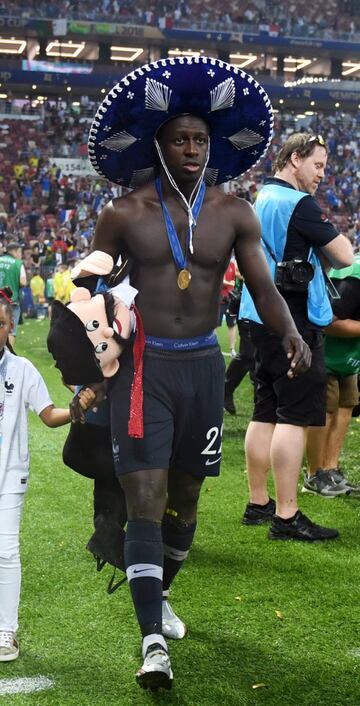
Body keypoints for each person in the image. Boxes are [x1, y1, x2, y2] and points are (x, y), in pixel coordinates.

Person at [81, 57, 311, 691]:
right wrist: (94, 358)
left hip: (204, 369)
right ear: (159, 144)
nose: (191, 148)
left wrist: (290, 331)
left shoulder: (232, 213)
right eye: (179, 138)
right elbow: (86, 291)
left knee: (186, 500)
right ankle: (152, 640)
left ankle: (158, 596)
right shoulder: (123, 213)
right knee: (146, 498)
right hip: (144, 371)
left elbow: (263, 288)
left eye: (200, 140)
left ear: (212, 147)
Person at [239, 133, 354, 539]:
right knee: (295, 414)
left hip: (256, 315)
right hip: (294, 320)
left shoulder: (260, 198)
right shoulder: (299, 203)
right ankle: (287, 516)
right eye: (318, 165)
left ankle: (258, 503)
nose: (323, 174)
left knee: (264, 409)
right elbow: (345, 255)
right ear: (294, 159)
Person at [0, 287, 94, 662]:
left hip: (10, 477)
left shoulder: (21, 370)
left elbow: (48, 414)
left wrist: (75, 408)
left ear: (10, 328)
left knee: (5, 551)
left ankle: (6, 631)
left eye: (1, 323)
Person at [305, 257, 360, 497]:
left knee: (347, 403)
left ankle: (330, 468)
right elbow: (327, 322)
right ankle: (314, 474)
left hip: (348, 358)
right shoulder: (355, 277)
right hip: (326, 355)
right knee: (325, 409)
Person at [0, 242, 26, 348]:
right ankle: (8, 354)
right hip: (11, 301)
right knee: (11, 331)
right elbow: (23, 282)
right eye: (20, 252)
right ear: (14, 251)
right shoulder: (18, 263)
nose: (21, 254)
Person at [218, 256, 238, 357]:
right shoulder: (221, 264)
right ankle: (215, 348)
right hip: (220, 300)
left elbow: (237, 275)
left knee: (232, 325)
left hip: (231, 300)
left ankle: (232, 349)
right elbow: (221, 281)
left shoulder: (232, 264)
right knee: (215, 325)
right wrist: (230, 282)